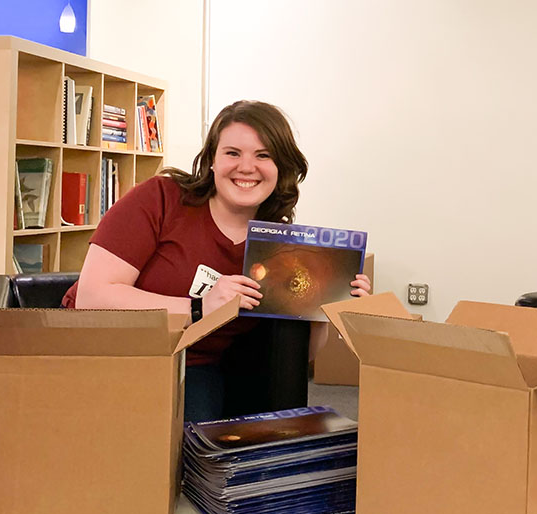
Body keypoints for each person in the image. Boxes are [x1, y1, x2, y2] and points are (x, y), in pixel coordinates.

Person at [64, 100, 371, 421]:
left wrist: (321, 307)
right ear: (211, 160)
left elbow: (291, 359)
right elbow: (92, 297)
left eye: (263, 155)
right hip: (103, 349)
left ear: (280, 167)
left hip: (193, 365)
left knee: (205, 452)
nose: (247, 167)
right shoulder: (161, 198)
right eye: (232, 153)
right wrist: (200, 308)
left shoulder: (280, 245)